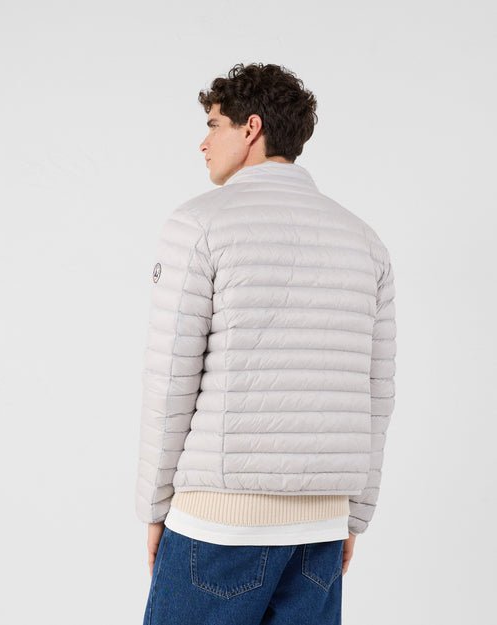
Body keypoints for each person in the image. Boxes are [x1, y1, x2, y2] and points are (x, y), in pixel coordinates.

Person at [135, 62, 396, 625]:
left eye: (214, 124)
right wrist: (353, 515)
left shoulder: (199, 225)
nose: (203, 143)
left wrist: (154, 508)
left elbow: (170, 381)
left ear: (251, 128)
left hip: (218, 526)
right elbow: (378, 392)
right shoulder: (365, 241)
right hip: (320, 529)